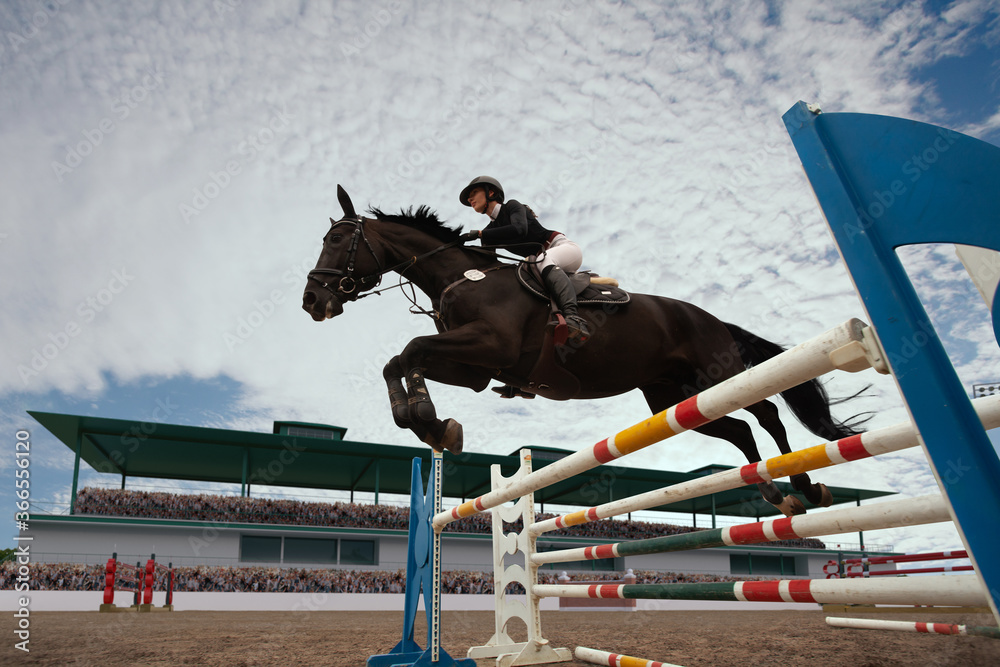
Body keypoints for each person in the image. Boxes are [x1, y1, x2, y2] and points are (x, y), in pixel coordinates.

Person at [458, 175, 591, 344]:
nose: (470, 199)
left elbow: (519, 229)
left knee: (542, 261)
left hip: (561, 248)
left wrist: (480, 234)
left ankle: (574, 318)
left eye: (474, 192)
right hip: (538, 262)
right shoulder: (489, 232)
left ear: (490, 192)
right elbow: (487, 264)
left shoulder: (512, 206)